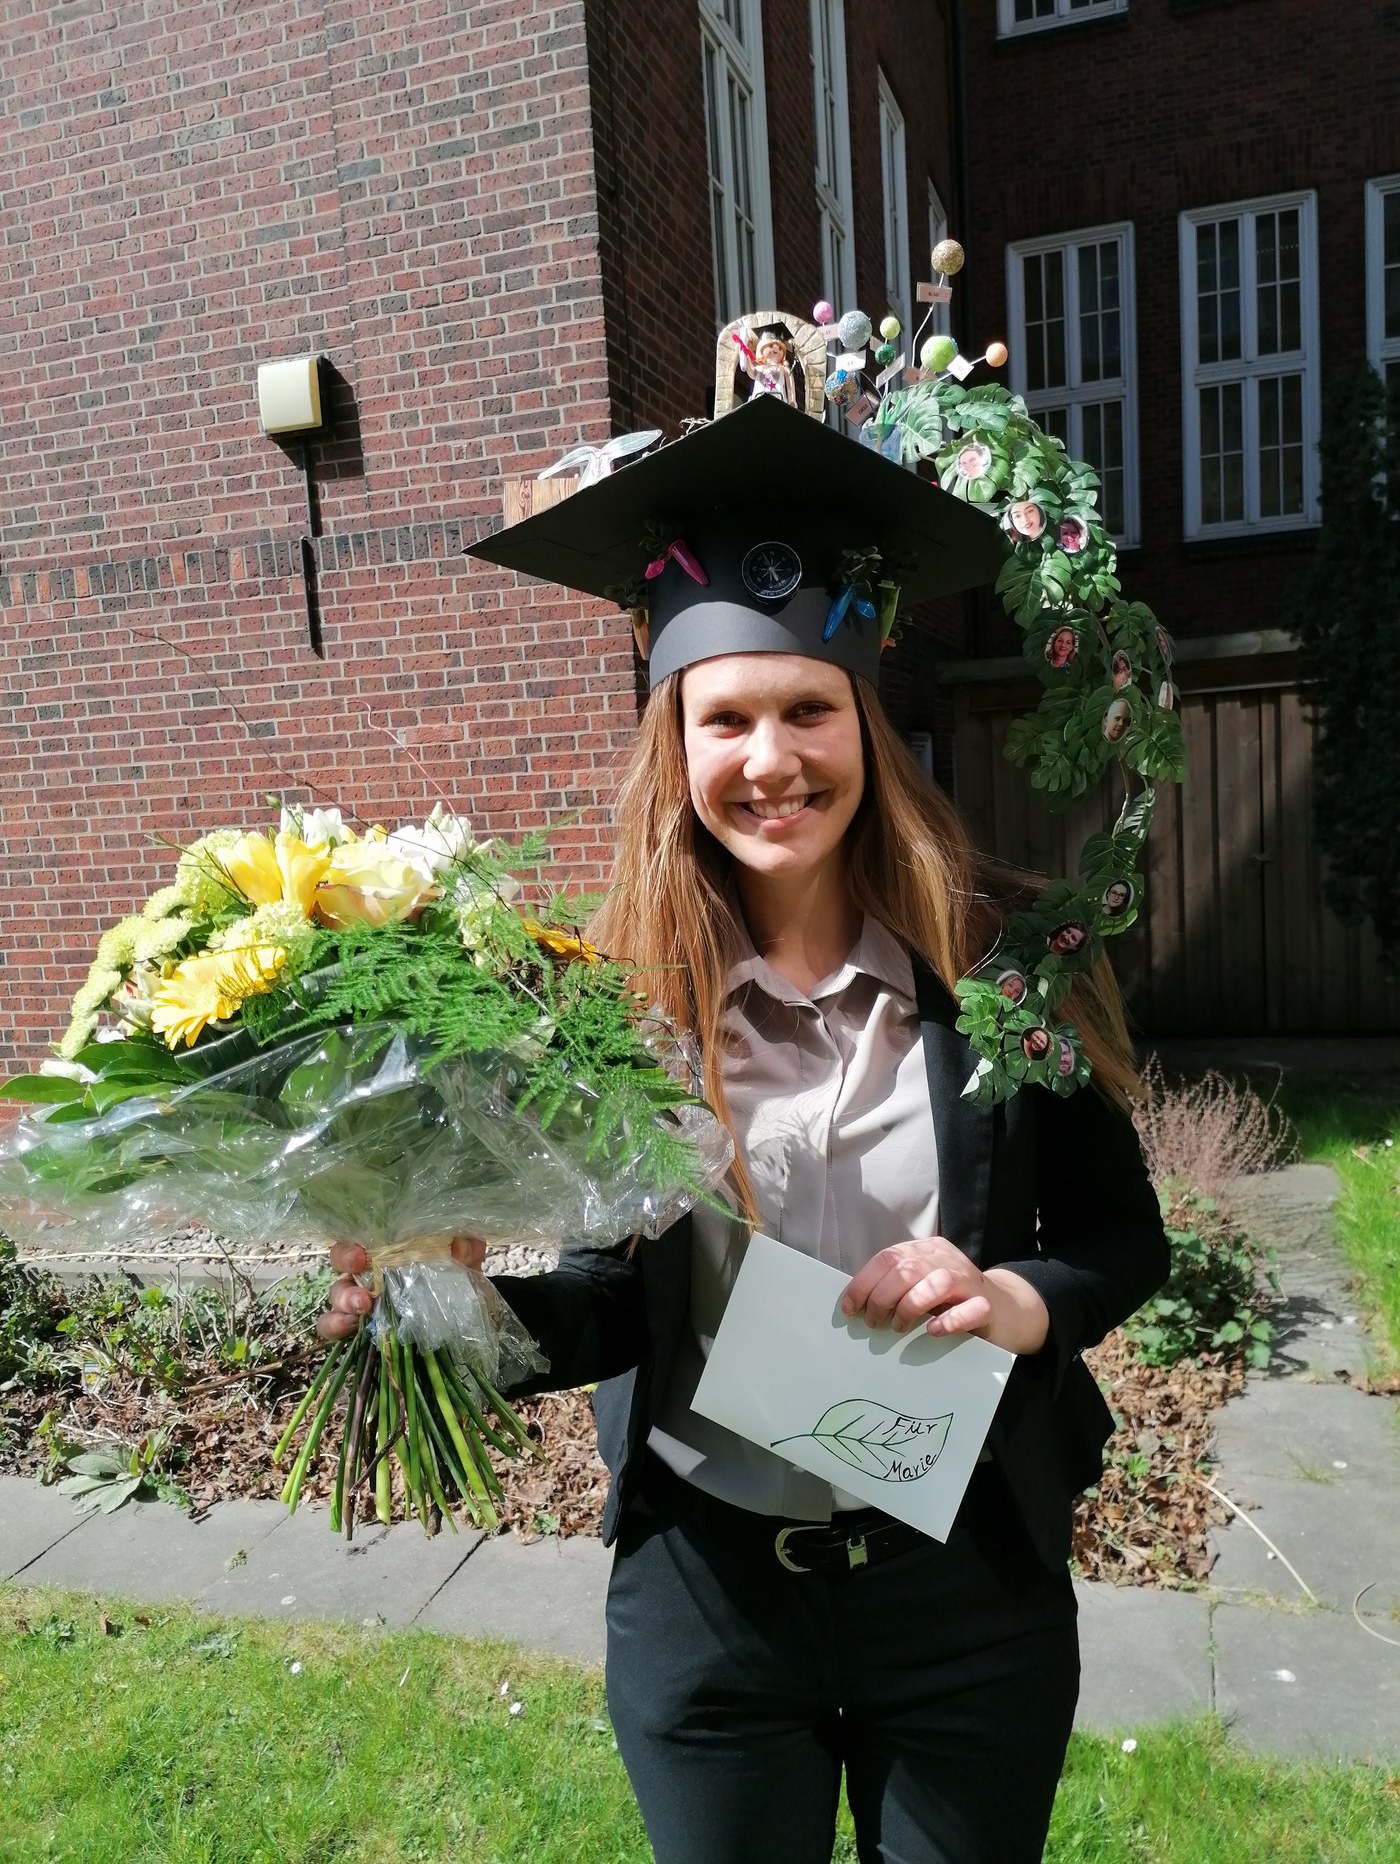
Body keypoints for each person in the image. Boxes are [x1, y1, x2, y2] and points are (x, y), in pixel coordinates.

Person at [322, 395, 1168, 1864]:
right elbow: (606, 1304)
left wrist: (1017, 1299)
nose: (770, 760)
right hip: (710, 1605)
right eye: (726, 718)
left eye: (806, 710)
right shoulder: (608, 1003)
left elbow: (1119, 1237)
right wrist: (444, 1297)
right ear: (678, 739)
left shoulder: (1012, 963)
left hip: (965, 1590)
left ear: (866, 721)